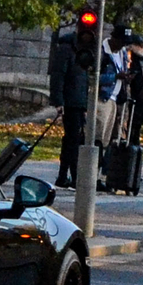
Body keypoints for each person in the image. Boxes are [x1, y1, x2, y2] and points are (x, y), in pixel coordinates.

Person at [47, 26, 87, 188]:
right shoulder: (66, 50)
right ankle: (71, 176)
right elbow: (58, 76)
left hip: (77, 102)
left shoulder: (80, 51)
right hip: (70, 102)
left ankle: (65, 175)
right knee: (73, 141)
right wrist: (59, 102)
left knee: (72, 140)